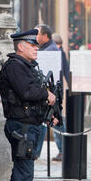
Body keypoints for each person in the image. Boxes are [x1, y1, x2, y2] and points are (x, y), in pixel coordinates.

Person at [0, 29, 58, 181]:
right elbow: (27, 91)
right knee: (24, 172)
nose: (36, 48)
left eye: (36, 45)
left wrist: (50, 114)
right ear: (20, 46)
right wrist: (46, 94)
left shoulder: (26, 66)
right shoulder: (15, 66)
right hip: (21, 126)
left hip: (28, 125)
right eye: (32, 45)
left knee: (25, 171)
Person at [34, 24, 64, 161]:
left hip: (51, 91)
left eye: (38, 34)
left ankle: (63, 150)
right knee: (47, 121)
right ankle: (37, 151)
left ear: (45, 36)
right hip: (47, 91)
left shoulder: (51, 50)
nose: (36, 36)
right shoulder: (46, 48)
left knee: (55, 120)